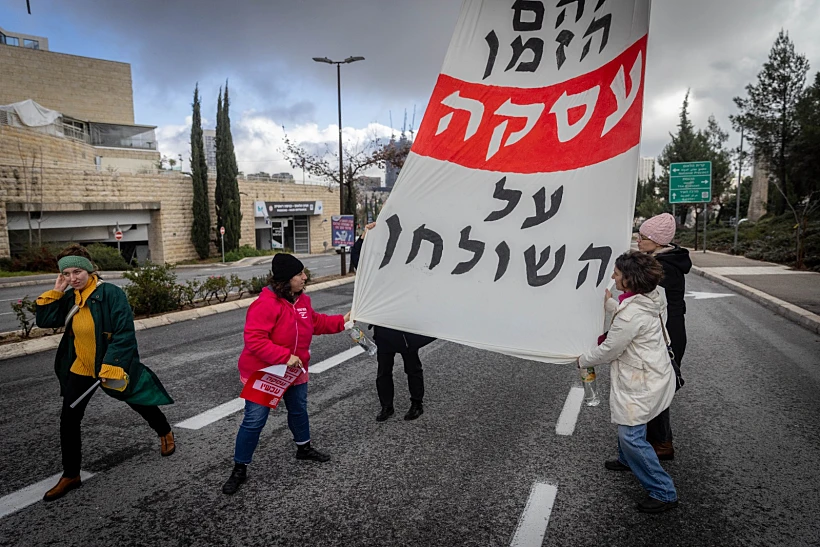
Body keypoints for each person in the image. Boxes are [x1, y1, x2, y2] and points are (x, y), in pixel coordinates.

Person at [35, 244, 175, 502]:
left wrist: (112, 364)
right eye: (66, 274)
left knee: (137, 401)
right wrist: (57, 291)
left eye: (77, 271)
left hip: (110, 363)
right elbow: (45, 320)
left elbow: (123, 333)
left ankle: (164, 430)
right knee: (69, 419)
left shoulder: (110, 294)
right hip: (81, 367)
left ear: (90, 270)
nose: (73, 278)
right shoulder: (70, 297)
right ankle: (71, 474)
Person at [222, 253, 350, 495]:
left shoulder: (302, 301)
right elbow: (254, 340)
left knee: (299, 409)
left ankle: (304, 447)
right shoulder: (264, 304)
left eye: (303, 272)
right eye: (299, 274)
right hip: (265, 373)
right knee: (255, 420)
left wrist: (342, 321)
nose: (305, 277)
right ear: (285, 279)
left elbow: (316, 323)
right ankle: (240, 468)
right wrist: (284, 356)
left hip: (294, 371)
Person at [578, 251, 678, 513]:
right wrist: (612, 305)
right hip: (653, 371)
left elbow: (610, 349)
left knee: (631, 434)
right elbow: (629, 312)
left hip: (643, 380)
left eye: (618, 274)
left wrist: (581, 359)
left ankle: (663, 491)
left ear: (630, 280)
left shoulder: (631, 315)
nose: (613, 276)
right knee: (632, 423)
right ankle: (627, 460)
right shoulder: (652, 297)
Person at [349, 222, 434, 423]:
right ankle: (386, 406)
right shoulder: (378, 267)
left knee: (412, 366)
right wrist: (363, 237)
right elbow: (358, 261)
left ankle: (417, 403)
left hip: (405, 326)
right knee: (383, 369)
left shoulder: (410, 265)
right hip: (384, 326)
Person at [637, 213, 692, 460]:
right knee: (653, 387)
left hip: (666, 332)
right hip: (670, 329)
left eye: (643, 237)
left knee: (655, 388)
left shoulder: (663, 267)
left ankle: (660, 444)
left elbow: (651, 307)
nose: (638, 240)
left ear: (657, 242)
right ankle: (654, 442)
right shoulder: (662, 260)